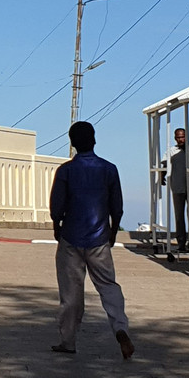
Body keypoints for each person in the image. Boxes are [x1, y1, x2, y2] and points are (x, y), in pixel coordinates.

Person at [49, 121, 134, 359]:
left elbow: (57, 206)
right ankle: (120, 328)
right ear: (94, 140)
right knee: (108, 286)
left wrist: (57, 227)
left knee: (71, 293)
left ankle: (68, 341)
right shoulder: (109, 169)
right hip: (99, 239)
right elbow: (117, 207)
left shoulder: (65, 171)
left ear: (72, 143)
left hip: (71, 238)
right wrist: (113, 232)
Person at [161, 128, 189, 254]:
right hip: (177, 187)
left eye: (183, 137)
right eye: (178, 137)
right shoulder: (171, 151)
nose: (181, 139)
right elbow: (164, 166)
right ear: (175, 138)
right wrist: (161, 177)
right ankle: (181, 242)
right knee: (179, 216)